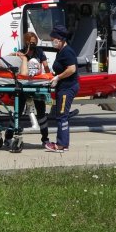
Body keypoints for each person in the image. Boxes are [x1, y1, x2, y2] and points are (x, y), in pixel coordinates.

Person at [4, 32, 53, 149]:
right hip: (23, 86)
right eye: (31, 42)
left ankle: (45, 139)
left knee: (41, 113)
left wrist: (48, 78)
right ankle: (8, 136)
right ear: (26, 42)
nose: (33, 45)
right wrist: (15, 55)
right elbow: (11, 61)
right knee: (18, 111)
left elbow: (46, 66)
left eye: (35, 42)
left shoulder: (39, 52)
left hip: (37, 85)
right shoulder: (21, 53)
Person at [45, 25, 80, 153]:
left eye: (53, 38)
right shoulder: (60, 51)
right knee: (61, 115)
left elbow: (72, 69)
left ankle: (61, 144)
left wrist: (58, 78)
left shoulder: (67, 51)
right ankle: (63, 143)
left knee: (62, 116)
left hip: (67, 88)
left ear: (60, 39)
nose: (52, 41)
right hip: (63, 87)